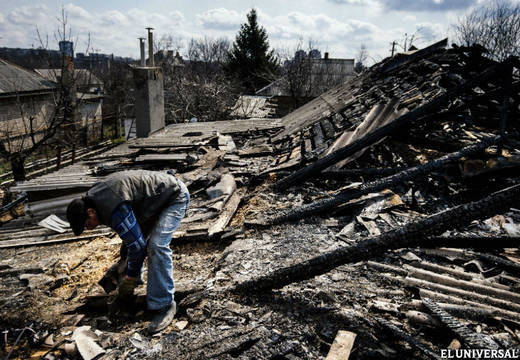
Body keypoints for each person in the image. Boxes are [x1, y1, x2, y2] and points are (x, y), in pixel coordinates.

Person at [66, 169, 190, 334]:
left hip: (173, 197)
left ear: (91, 212)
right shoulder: (94, 200)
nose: (88, 228)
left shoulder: (112, 205)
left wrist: (130, 278)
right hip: (151, 203)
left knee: (156, 246)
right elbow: (131, 242)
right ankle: (127, 288)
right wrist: (125, 268)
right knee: (129, 248)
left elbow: (138, 247)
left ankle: (164, 305)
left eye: (87, 224)